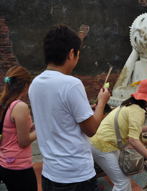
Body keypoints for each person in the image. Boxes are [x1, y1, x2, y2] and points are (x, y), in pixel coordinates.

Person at [29, 24, 110, 191]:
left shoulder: (35, 84)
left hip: (50, 173)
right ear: (71, 53)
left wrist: (88, 110)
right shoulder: (71, 84)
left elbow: (61, 115)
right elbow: (92, 129)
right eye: (78, 54)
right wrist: (102, 101)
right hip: (76, 175)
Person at [90, 78, 147, 191]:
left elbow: (130, 130)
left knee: (123, 179)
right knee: (122, 182)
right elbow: (133, 140)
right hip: (103, 146)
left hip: (103, 143)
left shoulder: (129, 105)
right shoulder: (138, 111)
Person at [0, 65, 37, 191]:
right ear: (26, 86)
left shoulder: (4, 103)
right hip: (19, 167)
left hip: (5, 163)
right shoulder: (20, 106)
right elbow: (23, 141)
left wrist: (35, 125)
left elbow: (11, 130)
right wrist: (41, 131)